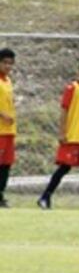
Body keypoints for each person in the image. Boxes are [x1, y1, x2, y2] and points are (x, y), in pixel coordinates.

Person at [37, 58, 79, 210]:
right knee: (65, 167)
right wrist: (62, 132)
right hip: (73, 135)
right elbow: (64, 110)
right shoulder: (72, 88)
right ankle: (45, 196)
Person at [0, 47, 16, 208]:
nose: (8, 66)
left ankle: (1, 195)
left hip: (9, 130)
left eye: (10, 63)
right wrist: (2, 114)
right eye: (5, 63)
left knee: (6, 164)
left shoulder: (8, 81)